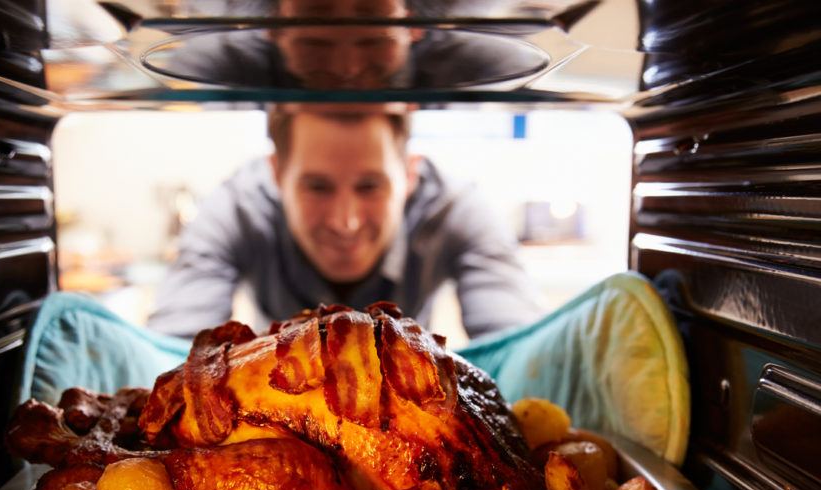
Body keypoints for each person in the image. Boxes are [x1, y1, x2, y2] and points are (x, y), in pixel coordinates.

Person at [147, 103, 544, 340]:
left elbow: (516, 344)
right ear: (276, 175)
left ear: (409, 175)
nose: (346, 221)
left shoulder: (454, 210)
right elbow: (176, 349)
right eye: (317, 187)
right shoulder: (235, 210)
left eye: (370, 186)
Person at [153, 0, 546, 90]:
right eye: (314, 42)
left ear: (414, 26)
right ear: (270, 29)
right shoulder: (213, 65)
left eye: (374, 39)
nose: (346, 68)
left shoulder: (482, 65)